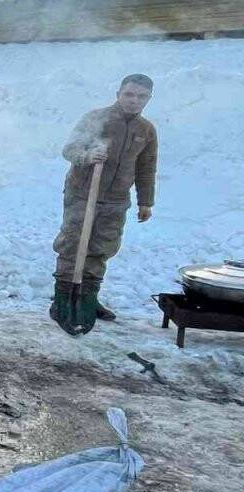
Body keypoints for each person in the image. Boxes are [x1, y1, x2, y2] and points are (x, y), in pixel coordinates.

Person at [49, 74, 158, 332]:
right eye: (129, 94)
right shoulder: (96, 119)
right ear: (118, 93)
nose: (134, 101)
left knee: (102, 247)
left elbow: (146, 168)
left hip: (116, 199)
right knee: (73, 244)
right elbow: (69, 149)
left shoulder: (146, 130)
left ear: (148, 99)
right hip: (83, 194)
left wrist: (146, 202)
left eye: (141, 96)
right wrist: (88, 155)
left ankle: (88, 298)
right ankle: (62, 300)